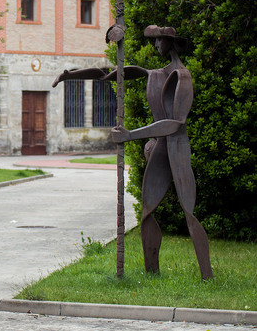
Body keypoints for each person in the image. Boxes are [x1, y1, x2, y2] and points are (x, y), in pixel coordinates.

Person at [52, 25, 213, 280]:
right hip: (161, 147)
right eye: (154, 41)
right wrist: (69, 76)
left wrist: (131, 135)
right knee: (148, 212)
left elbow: (177, 123)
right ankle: (152, 273)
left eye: (158, 41)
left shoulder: (183, 76)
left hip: (177, 147)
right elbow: (110, 74)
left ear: (170, 42)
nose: (155, 46)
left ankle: (207, 275)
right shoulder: (154, 74)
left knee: (189, 211)